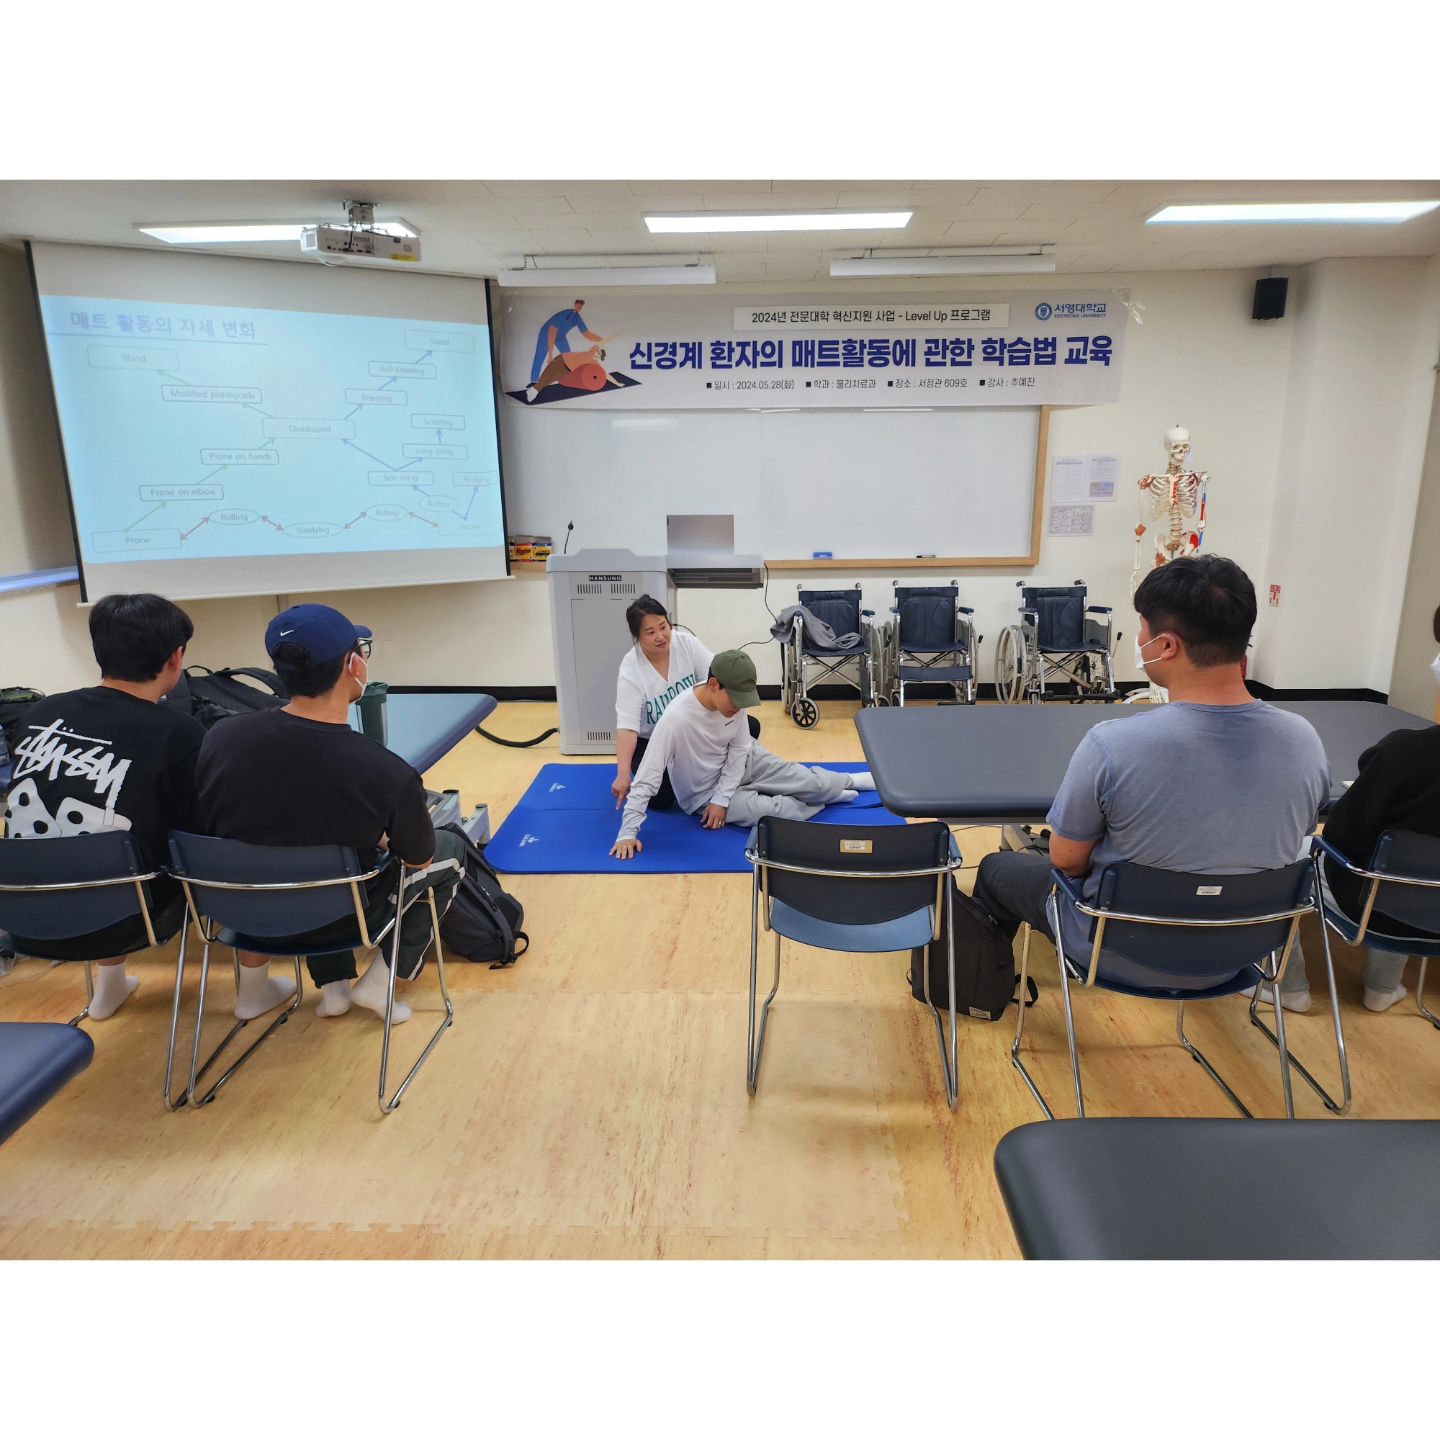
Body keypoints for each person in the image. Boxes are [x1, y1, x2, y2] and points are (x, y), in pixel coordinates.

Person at [972, 555, 1330, 992]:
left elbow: (1066, 860)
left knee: (997, 869)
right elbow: (1295, 838)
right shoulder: (1304, 739)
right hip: (1245, 953)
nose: (1139, 641)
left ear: (1166, 646)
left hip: (1115, 950)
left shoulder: (1112, 744)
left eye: (1142, 630)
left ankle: (981, 992)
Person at [195, 604, 465, 1024]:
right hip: (338, 918)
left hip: (240, 910)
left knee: (302, 849)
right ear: (354, 665)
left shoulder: (220, 736)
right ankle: (382, 980)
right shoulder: (384, 769)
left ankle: (331, 988)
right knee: (449, 849)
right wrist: (379, 837)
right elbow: (419, 859)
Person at [3, 592, 207, 1018]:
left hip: (21, 916)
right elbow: (195, 832)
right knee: (192, 854)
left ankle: (110, 984)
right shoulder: (179, 732)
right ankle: (254, 986)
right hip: (128, 919)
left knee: (99, 841)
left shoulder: (39, 714)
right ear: (176, 658)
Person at [1273, 602, 1440, 1014]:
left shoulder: (1404, 755)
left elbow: (1343, 837)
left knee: (1284, 853)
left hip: (1373, 906)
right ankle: (1383, 986)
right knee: (1409, 861)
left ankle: (1287, 984)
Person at [610, 649, 874, 860]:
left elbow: (739, 748)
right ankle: (826, 797)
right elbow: (648, 776)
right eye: (735, 700)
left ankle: (845, 782)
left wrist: (724, 795)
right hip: (704, 794)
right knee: (778, 814)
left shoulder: (735, 704)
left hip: (747, 760)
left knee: (808, 781)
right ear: (714, 685)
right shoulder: (675, 719)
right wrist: (627, 833)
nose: (739, 707)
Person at [612, 595, 761, 812]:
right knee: (661, 798)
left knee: (750, 726)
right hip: (653, 741)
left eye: (663, 626)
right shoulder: (631, 669)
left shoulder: (686, 644)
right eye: (650, 632)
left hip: (692, 730)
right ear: (637, 637)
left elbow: (719, 678)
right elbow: (627, 728)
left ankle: (726, 778)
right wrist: (623, 773)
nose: (660, 636)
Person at [527, 299, 605, 391]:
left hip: (560, 336)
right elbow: (552, 332)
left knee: (568, 357)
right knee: (540, 356)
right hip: (546, 333)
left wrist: (601, 340)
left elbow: (587, 333)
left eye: (581, 306)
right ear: (575, 305)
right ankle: (534, 380)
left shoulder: (577, 318)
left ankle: (567, 379)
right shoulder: (564, 314)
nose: (579, 307)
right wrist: (551, 355)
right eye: (578, 305)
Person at [530, 345, 625, 397]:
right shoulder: (592, 352)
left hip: (567, 370)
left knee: (549, 379)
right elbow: (596, 347)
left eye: (599, 356)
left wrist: (617, 383)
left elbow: (605, 374)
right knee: (546, 376)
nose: (597, 355)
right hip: (561, 360)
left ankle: (534, 390)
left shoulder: (594, 362)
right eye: (598, 354)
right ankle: (534, 391)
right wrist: (599, 350)